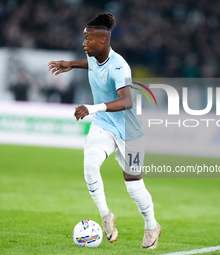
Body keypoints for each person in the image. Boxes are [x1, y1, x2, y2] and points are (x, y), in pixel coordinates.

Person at [48, 12, 161, 249]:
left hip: (130, 131)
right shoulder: (94, 56)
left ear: (102, 40)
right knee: (90, 163)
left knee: (134, 185)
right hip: (104, 125)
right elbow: (91, 64)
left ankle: (152, 225)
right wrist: (70, 64)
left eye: (87, 39)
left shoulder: (120, 66)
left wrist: (92, 107)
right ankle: (106, 215)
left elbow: (127, 101)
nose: (83, 42)